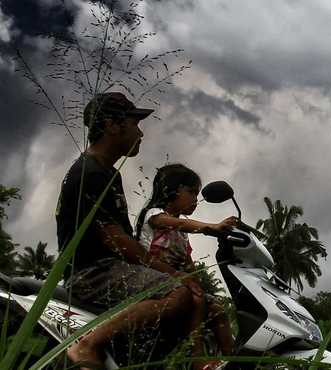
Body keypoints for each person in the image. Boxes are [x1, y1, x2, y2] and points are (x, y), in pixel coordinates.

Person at [56, 92, 221, 370]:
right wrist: (170, 272)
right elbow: (116, 240)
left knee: (199, 302)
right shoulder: (90, 172)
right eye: (134, 124)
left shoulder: (109, 173)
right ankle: (88, 345)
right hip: (93, 272)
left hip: (111, 268)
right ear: (111, 126)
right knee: (177, 293)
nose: (140, 133)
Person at [135, 163, 236, 358]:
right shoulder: (154, 216)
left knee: (218, 310)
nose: (195, 200)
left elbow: (187, 261)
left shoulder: (181, 234)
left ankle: (234, 361)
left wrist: (200, 286)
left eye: (197, 194)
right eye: (190, 192)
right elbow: (180, 223)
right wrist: (214, 227)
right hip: (152, 277)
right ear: (169, 191)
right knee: (196, 302)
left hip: (178, 281)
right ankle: (199, 360)